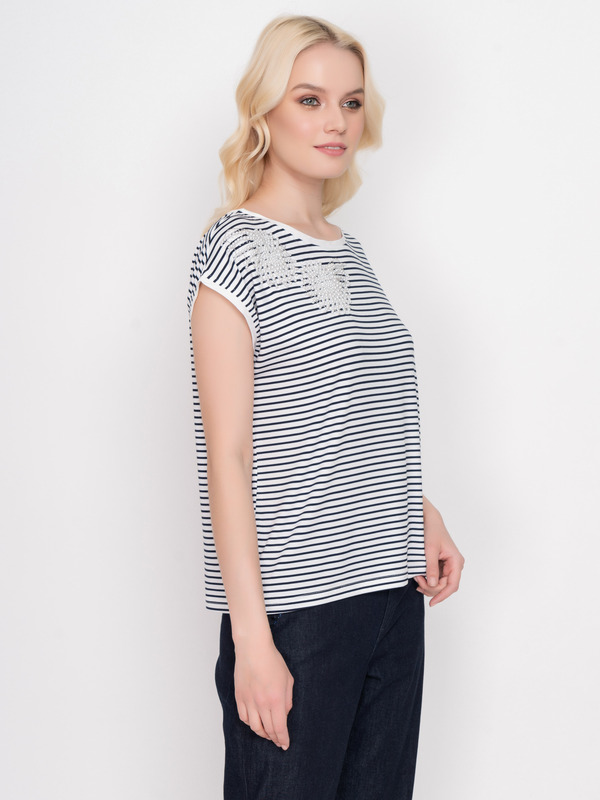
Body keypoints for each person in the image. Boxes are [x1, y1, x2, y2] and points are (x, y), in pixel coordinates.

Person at [187, 14, 464, 800]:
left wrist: (417, 510)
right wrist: (253, 641)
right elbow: (229, 455)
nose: (335, 121)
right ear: (264, 111)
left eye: (350, 102)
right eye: (309, 100)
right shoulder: (233, 251)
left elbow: (350, 413)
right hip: (298, 615)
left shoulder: (350, 249)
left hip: (391, 598)